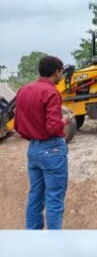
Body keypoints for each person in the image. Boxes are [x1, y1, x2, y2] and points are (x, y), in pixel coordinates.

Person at [14, 55, 71, 230]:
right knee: (54, 199)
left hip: (33, 149)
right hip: (52, 149)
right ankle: (54, 245)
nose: (62, 75)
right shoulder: (51, 92)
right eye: (62, 72)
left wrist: (34, 138)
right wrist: (65, 121)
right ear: (57, 72)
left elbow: (17, 125)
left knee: (35, 196)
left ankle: (33, 239)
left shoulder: (24, 89)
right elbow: (53, 127)